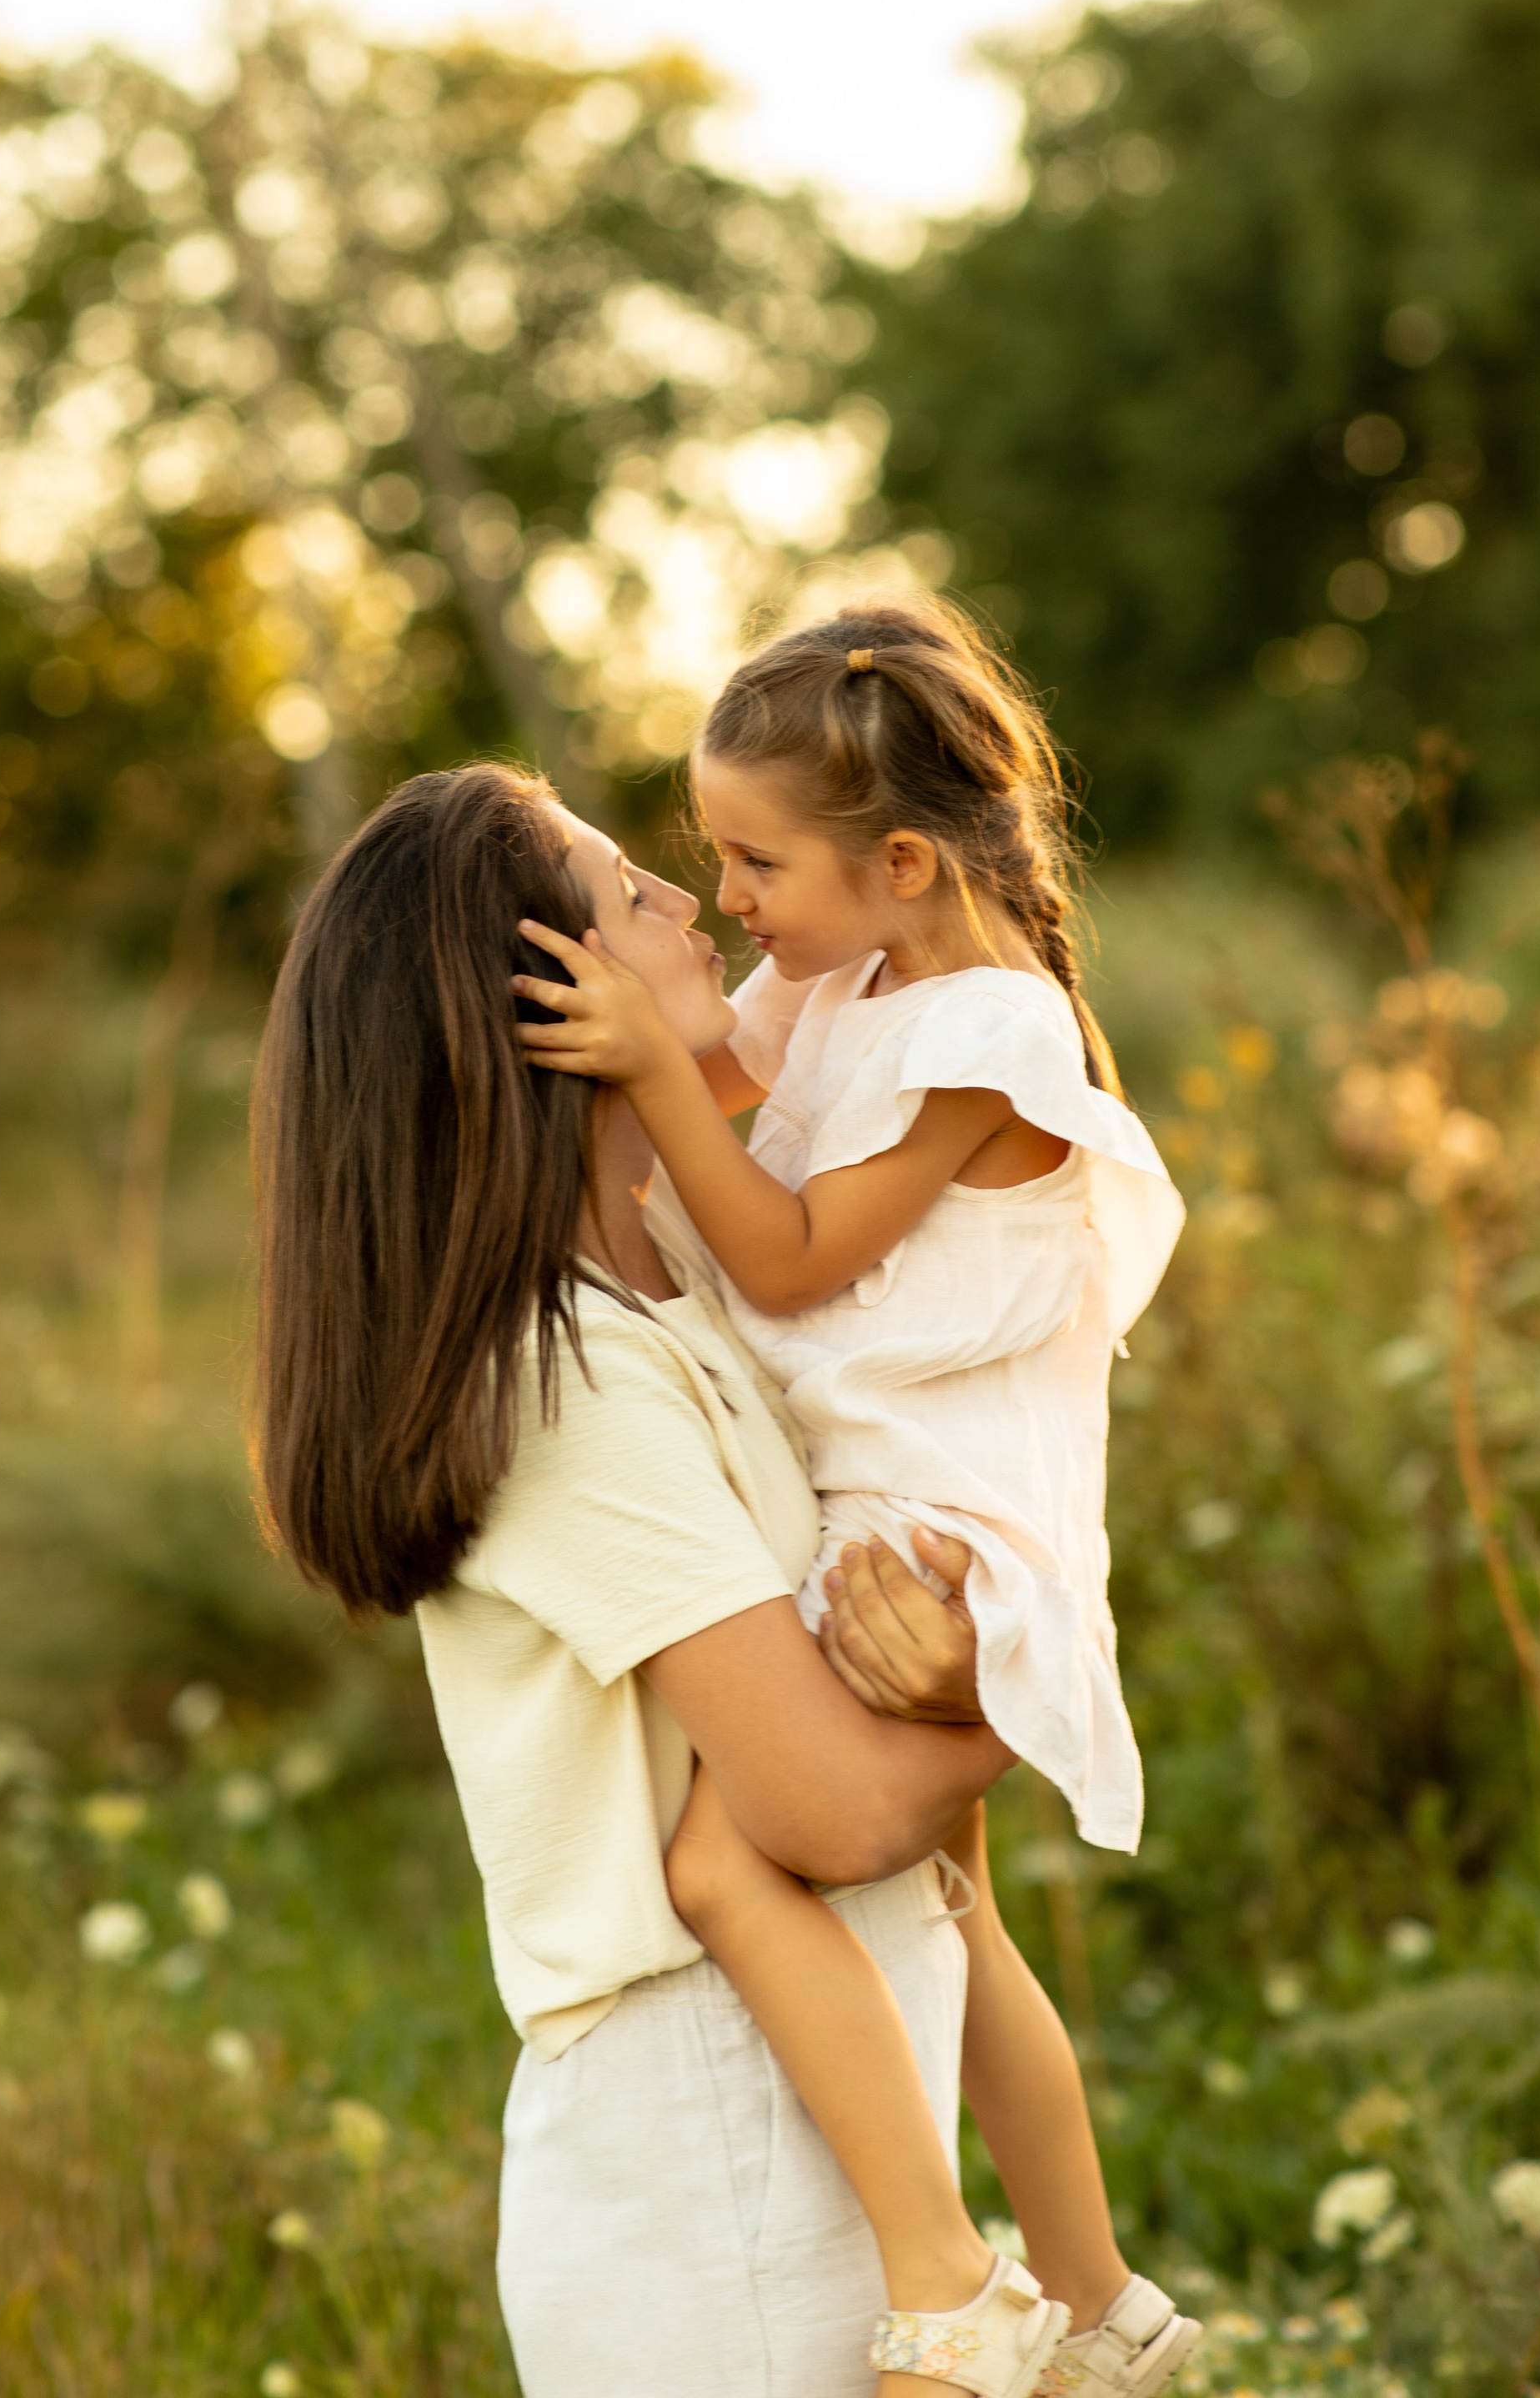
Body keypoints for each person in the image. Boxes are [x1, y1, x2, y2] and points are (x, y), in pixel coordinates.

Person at [253, 760, 1052, 2398]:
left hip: (814, 2096)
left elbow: (852, 1013)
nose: (693, 904)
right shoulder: (559, 1380)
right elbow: (834, 1807)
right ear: (542, 1004)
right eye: (630, 892)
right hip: (713, 2157)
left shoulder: (673, 1259)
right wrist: (1022, 1688)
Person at [512, 600, 1196, 2398]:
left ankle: (947, 2275)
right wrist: (653, 1041)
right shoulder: (845, 972)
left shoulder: (990, 1039)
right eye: (708, 859)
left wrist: (650, 1069)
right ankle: (1098, 2300)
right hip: (875, 1481)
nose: (724, 897)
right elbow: (719, 1079)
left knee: (719, 1861)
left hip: (939, 1519)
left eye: (754, 864)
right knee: (960, 1920)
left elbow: (796, 1255)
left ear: (899, 863)